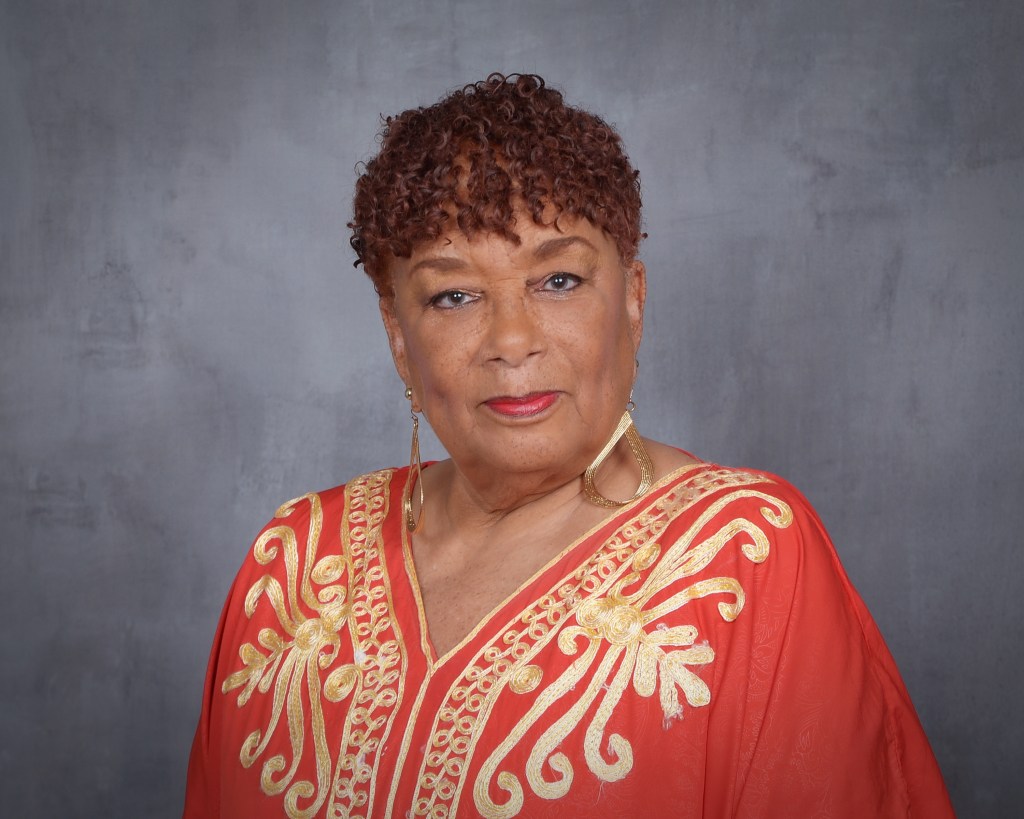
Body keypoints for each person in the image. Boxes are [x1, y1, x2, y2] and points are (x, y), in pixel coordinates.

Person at [184, 74, 954, 818]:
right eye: (453, 295)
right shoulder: (292, 571)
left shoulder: (747, 556)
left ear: (633, 301)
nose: (512, 340)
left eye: (557, 281)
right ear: (397, 336)